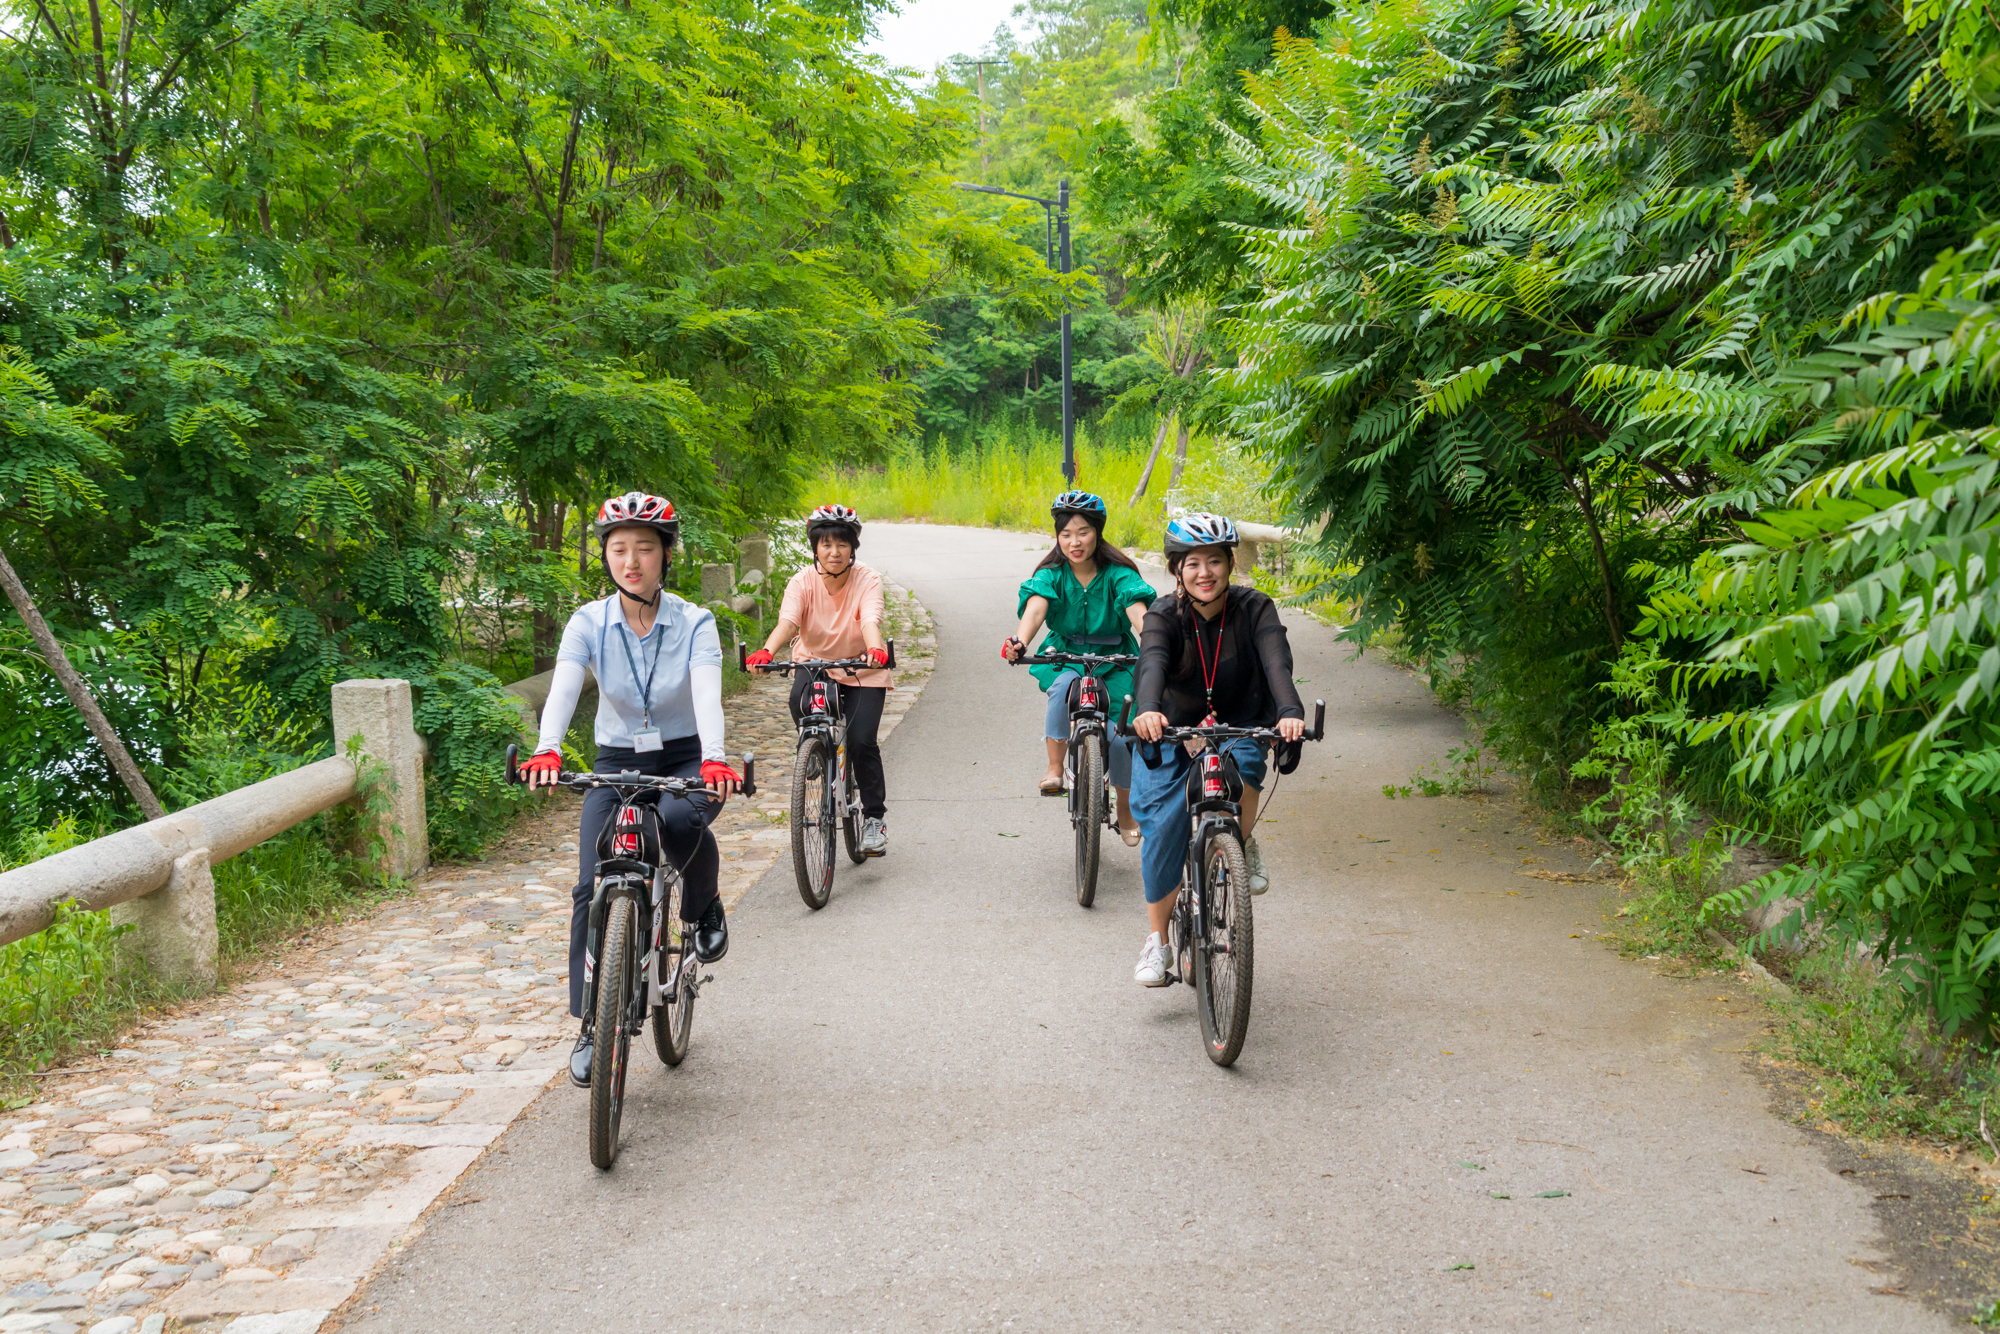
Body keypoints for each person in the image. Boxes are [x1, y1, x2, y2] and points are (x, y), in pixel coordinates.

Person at [515, 491, 742, 1086]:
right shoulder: (588, 622)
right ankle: (592, 1022)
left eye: (645, 548)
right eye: (619, 549)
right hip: (616, 757)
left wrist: (714, 760)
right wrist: (548, 748)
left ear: (668, 555)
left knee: (683, 820)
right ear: (607, 557)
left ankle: (702, 904)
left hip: (687, 751)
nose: (632, 561)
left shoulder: (695, 621)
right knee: (592, 882)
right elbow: (564, 688)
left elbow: (705, 692)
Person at [1127, 512, 1306, 986]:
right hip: (1170, 729)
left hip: (1239, 724)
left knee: (1246, 761)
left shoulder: (1255, 609)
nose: (1204, 572)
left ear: (1230, 563)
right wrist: (1147, 709)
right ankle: (1157, 943)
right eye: (1192, 563)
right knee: (1164, 826)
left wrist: (1289, 711)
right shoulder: (1164, 614)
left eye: (1214, 561)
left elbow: (1276, 663)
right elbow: (1152, 663)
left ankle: (1239, 844)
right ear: (1177, 570)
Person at [1001, 490, 1155, 844]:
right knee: (1061, 689)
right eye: (1066, 533)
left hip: (1116, 660)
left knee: (1120, 732)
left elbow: (1137, 612)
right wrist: (1021, 641)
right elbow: (1037, 608)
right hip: (1065, 654)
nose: (1075, 541)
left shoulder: (1118, 574)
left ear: (1098, 532)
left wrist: (1154, 646)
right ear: (1057, 536)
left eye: (1083, 531)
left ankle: (1126, 811)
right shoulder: (1052, 574)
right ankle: (1055, 767)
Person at [745, 504, 894, 854]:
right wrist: (767, 650)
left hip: (862, 668)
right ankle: (814, 752)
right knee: (800, 703)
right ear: (815, 547)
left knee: (861, 742)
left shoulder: (868, 579)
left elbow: (870, 619)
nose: (834, 552)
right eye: (826, 544)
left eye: (842, 544)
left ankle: (874, 819)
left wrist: (875, 648)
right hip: (815, 665)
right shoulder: (802, 581)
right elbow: (788, 622)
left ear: (853, 547)